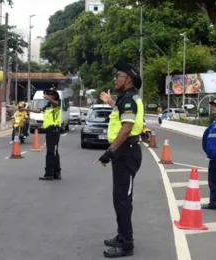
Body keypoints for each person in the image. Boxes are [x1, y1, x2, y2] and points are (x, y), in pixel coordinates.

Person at [97, 62, 144, 258]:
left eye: (119, 76)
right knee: (119, 198)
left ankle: (127, 244)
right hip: (125, 152)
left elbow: (126, 127)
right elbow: (121, 111)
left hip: (126, 152)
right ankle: (121, 235)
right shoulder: (126, 98)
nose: (115, 79)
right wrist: (110, 101)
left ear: (128, 80)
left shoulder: (128, 100)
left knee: (123, 200)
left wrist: (111, 149)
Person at [27, 87, 62, 180]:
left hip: (54, 130)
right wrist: (27, 110)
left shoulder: (57, 104)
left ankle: (49, 173)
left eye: (51, 94)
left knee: (51, 152)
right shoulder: (48, 105)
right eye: (48, 94)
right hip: (50, 131)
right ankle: (56, 172)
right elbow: (39, 111)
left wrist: (49, 99)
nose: (49, 95)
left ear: (55, 96)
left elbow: (56, 103)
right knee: (54, 152)